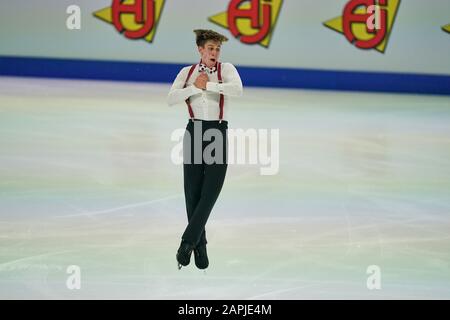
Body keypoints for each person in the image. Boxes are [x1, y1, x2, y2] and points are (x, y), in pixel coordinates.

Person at [167, 29, 243, 270]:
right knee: (192, 192)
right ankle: (201, 245)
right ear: (200, 50)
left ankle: (187, 242)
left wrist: (209, 84)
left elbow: (237, 90)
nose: (215, 52)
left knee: (211, 191)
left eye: (218, 48)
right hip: (194, 132)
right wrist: (194, 88)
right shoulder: (186, 73)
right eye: (210, 48)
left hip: (217, 132)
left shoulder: (226, 69)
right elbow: (171, 98)